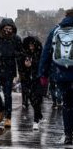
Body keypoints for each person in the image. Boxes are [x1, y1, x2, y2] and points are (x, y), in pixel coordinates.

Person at [39, 8, 73, 144]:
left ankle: (69, 134)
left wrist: (43, 73)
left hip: (61, 73)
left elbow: (46, 53)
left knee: (67, 104)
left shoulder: (55, 30)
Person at [18, 36, 44, 130]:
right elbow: (20, 65)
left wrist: (33, 63)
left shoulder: (40, 53)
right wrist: (25, 66)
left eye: (32, 45)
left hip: (38, 79)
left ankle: (36, 120)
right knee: (31, 99)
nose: (31, 46)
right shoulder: (24, 53)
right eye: (29, 45)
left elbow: (42, 64)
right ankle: (39, 114)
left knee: (36, 98)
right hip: (27, 79)